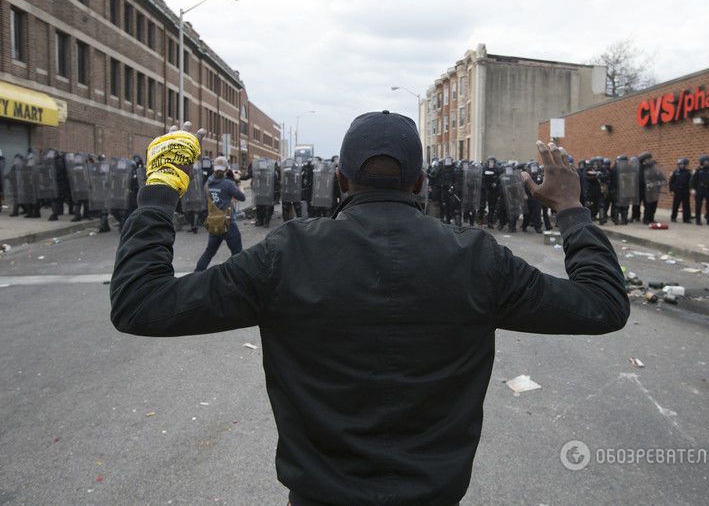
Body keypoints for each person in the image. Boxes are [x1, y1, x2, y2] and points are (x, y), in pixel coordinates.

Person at [110, 115, 628, 505]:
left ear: (340, 180)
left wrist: (160, 190)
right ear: (422, 184)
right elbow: (602, 305)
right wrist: (571, 210)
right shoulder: (477, 258)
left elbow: (141, 304)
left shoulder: (286, 255)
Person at [194, 156, 246, 272]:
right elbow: (242, 197)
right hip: (228, 224)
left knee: (209, 252)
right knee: (237, 254)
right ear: (226, 168)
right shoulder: (228, 184)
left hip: (214, 223)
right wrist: (238, 181)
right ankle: (237, 277)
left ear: (214, 168)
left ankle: (196, 275)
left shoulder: (207, 184)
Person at [690, 154, 709, 226]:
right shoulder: (697, 170)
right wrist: (692, 189)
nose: (707, 162)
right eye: (706, 161)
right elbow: (692, 181)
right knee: (698, 205)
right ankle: (698, 220)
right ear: (702, 161)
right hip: (700, 189)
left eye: (708, 161)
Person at [669, 158, 692, 223]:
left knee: (686, 205)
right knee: (676, 205)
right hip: (677, 190)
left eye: (683, 164)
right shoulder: (675, 172)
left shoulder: (688, 173)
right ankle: (673, 217)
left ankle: (686, 219)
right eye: (680, 164)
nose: (681, 165)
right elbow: (671, 182)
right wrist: (672, 190)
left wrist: (691, 189)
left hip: (685, 190)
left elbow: (691, 182)